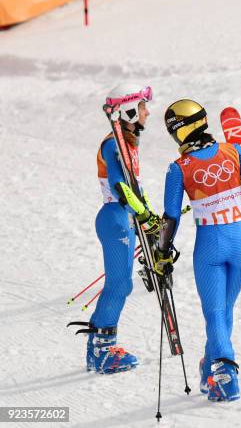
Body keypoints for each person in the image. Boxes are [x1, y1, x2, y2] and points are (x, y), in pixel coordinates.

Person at [159, 99, 241, 402]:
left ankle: (225, 372)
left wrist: (163, 252)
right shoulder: (232, 151)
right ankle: (209, 366)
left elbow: (171, 216)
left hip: (210, 246)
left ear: (180, 131)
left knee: (215, 312)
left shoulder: (179, 168)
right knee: (224, 310)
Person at [70, 85, 159, 374]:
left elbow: (135, 186)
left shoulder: (129, 144)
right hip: (116, 218)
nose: (147, 112)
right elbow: (121, 187)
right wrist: (141, 213)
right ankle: (103, 350)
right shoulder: (112, 144)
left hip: (124, 216)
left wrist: (148, 213)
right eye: (143, 107)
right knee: (120, 284)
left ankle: (99, 347)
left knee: (120, 283)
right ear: (129, 111)